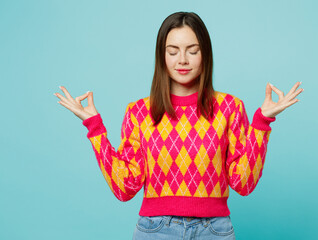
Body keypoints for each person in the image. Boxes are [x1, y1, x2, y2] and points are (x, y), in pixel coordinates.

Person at [54, 11, 303, 240]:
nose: (182, 60)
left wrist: (262, 122)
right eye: (173, 51)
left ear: (205, 53)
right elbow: (124, 187)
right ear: (161, 56)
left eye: (192, 50)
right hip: (155, 230)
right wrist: (94, 127)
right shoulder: (139, 112)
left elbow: (244, 184)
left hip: (215, 230)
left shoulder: (230, 107)